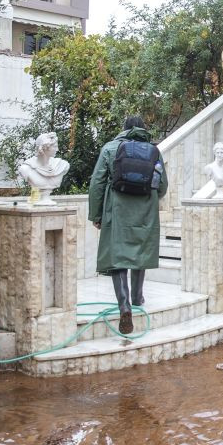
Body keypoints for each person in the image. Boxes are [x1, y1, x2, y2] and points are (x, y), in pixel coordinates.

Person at [88, 116, 168, 335]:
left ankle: (124, 305)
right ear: (143, 130)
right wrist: (149, 199)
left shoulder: (110, 148)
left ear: (123, 130)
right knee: (140, 248)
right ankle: (137, 297)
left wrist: (96, 214)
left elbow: (97, 183)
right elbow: (162, 186)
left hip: (117, 209)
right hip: (145, 210)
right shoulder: (153, 150)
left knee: (118, 255)